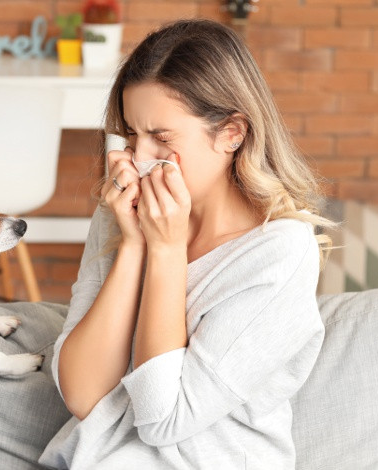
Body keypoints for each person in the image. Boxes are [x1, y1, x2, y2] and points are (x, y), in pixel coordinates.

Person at [39, 18, 332, 469]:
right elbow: (81, 394)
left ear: (232, 133)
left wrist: (168, 251)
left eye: (161, 137)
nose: (138, 159)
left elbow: (163, 419)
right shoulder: (122, 212)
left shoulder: (280, 253)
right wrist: (135, 246)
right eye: (132, 134)